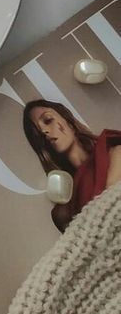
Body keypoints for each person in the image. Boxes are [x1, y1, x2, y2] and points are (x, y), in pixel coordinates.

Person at [23, 99, 121, 232]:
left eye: (47, 120)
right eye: (38, 134)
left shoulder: (115, 152)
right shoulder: (63, 211)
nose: (44, 131)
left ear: (68, 122)